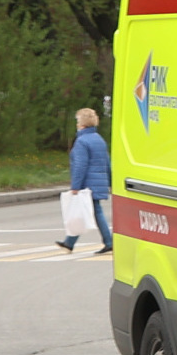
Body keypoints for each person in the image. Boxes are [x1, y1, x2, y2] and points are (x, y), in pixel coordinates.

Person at [58, 107, 111, 254]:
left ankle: (109, 242)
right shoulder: (99, 139)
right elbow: (107, 162)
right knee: (88, 211)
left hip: (88, 183)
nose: (76, 124)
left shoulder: (81, 141)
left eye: (77, 121)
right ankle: (69, 242)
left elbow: (80, 166)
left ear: (82, 124)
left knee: (92, 211)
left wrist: (75, 186)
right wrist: (110, 182)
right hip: (99, 181)